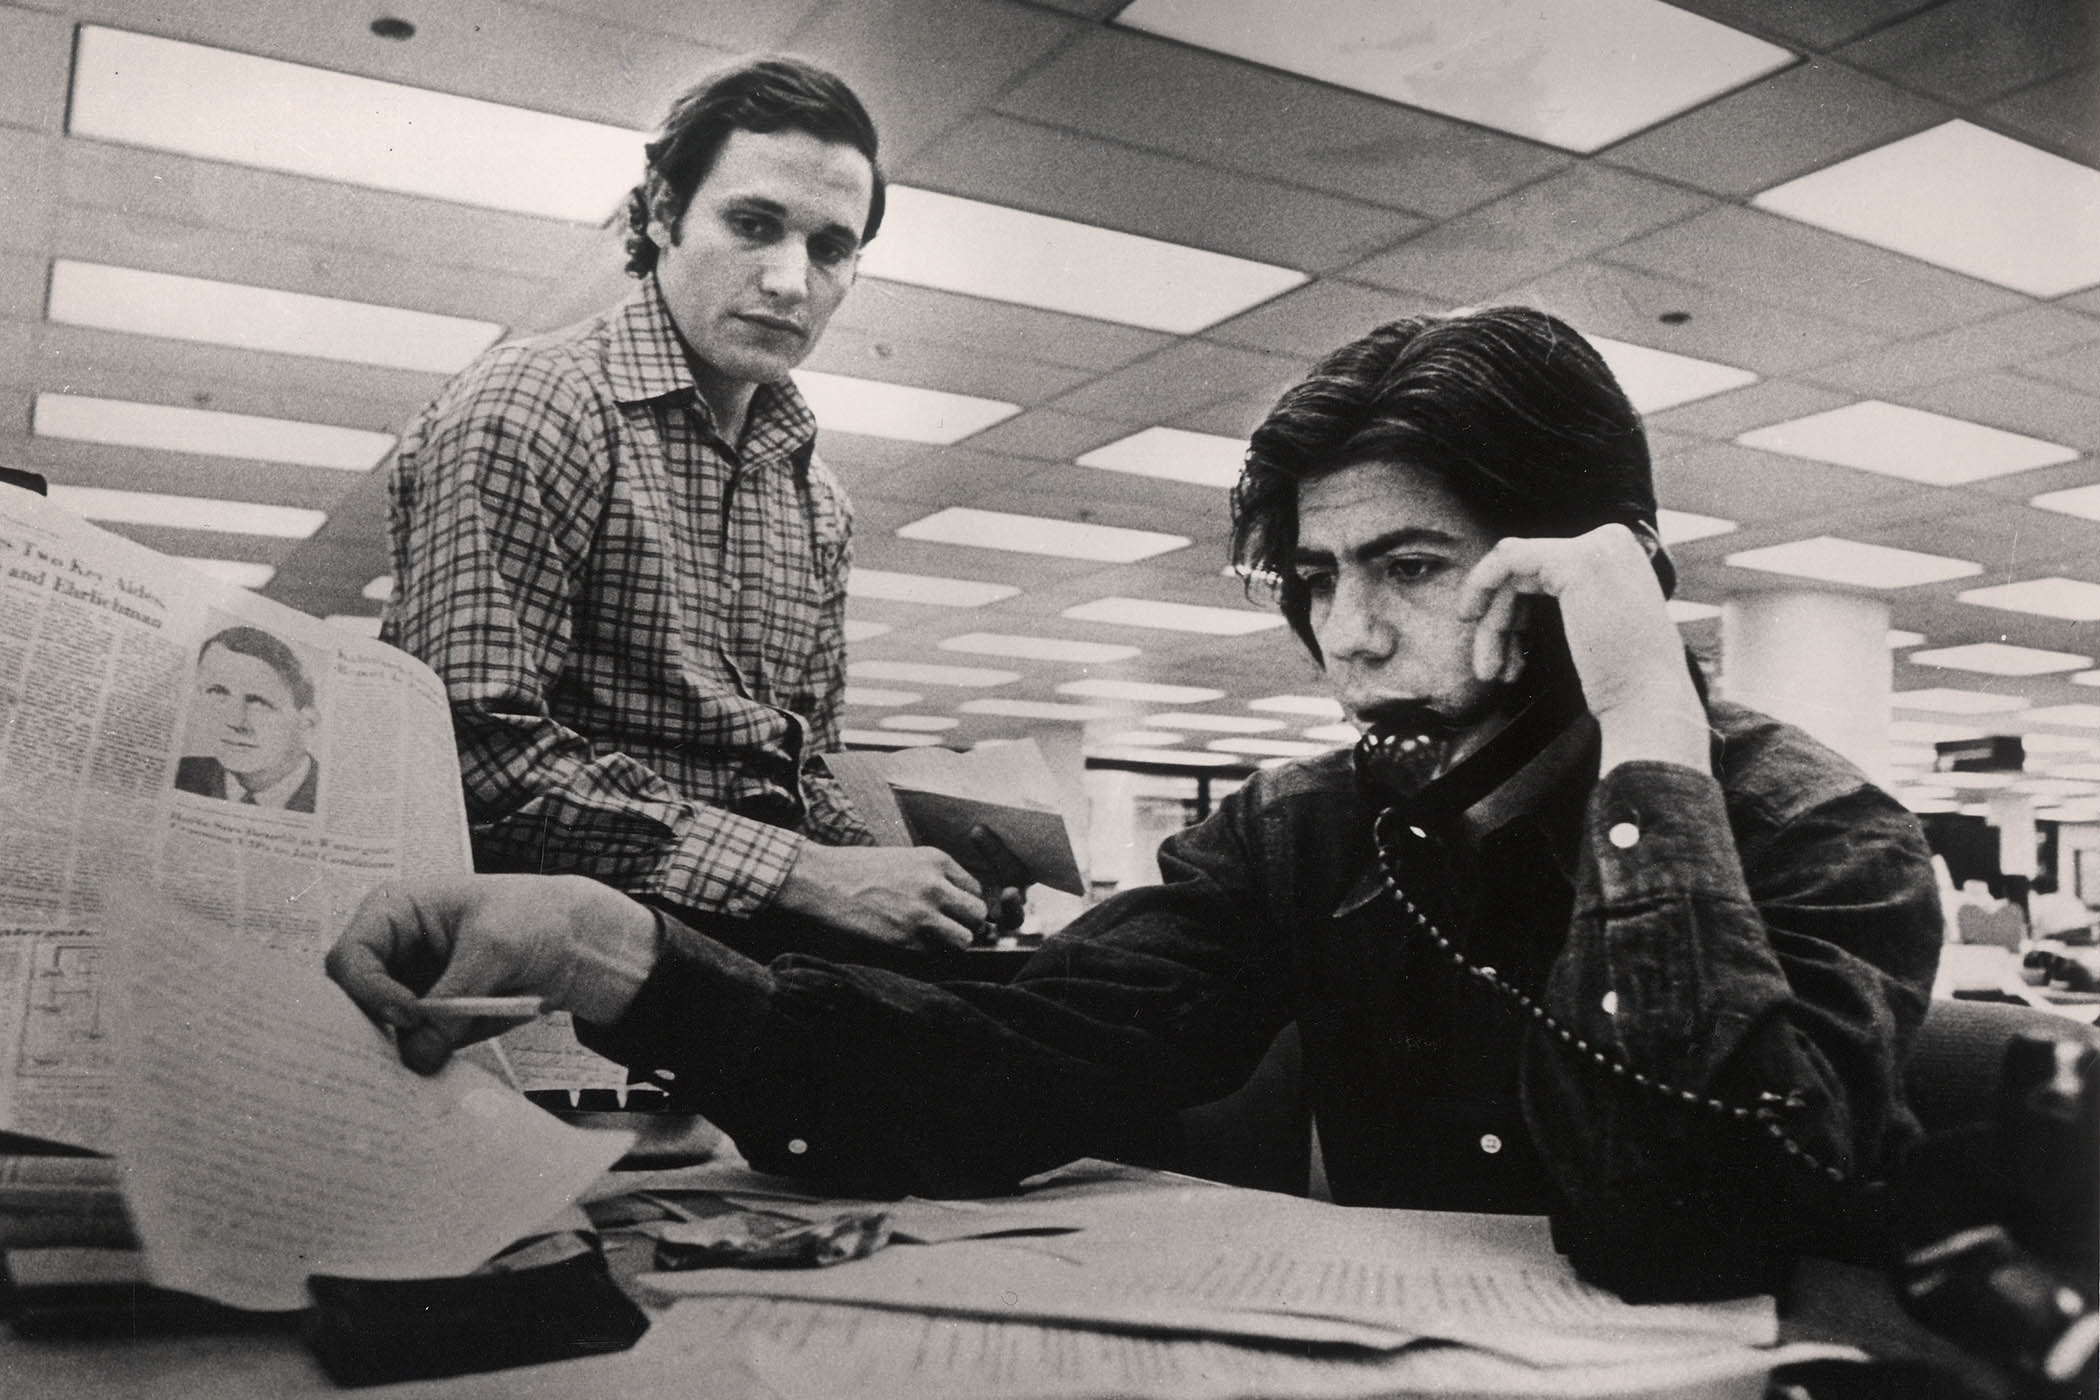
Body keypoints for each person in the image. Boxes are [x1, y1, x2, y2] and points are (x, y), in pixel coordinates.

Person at [333, 307, 1942, 1299]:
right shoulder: (1311, 834)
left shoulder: (1825, 837)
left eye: (1413, 568)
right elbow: (1010, 1072)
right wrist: (609, 949)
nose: (1351, 635)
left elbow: (1685, 1231)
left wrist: (1646, 714)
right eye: (1319, 579)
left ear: (1591, 568)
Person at [382, 56, 1013, 965]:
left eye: (830, 248)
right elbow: (478, 765)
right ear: (661, 213)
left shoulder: (815, 494)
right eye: (754, 225)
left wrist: (916, 873)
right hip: (558, 972)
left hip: (744, 977)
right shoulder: (537, 405)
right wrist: (802, 873)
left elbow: (805, 769)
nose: (792, 281)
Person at [176, 626, 322, 813]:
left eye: (258, 702)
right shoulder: (181, 775)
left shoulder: (331, 796)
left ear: (307, 722)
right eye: (218, 691)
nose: (235, 721)